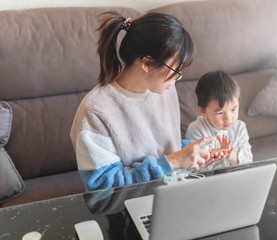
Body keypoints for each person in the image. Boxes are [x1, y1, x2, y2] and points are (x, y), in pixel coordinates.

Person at [70, 11, 215, 191]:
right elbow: (102, 187)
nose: (177, 79)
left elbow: (160, 148)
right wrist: (173, 162)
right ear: (146, 63)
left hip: (175, 191)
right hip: (131, 205)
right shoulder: (95, 111)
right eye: (175, 71)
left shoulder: (164, 89)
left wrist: (194, 153)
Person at [185, 70, 253, 170]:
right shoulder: (196, 129)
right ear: (202, 110)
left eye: (233, 109)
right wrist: (210, 157)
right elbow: (190, 168)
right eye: (220, 113)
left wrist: (231, 155)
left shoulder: (240, 127)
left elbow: (248, 161)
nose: (228, 118)